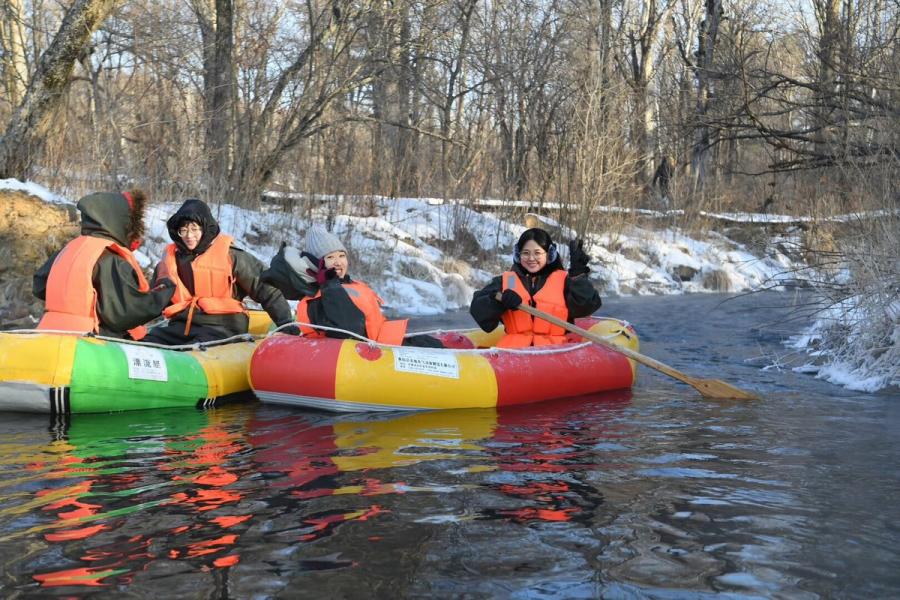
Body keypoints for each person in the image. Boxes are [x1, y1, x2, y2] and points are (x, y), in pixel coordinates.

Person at [261, 225, 444, 347]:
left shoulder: (352, 285)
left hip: (386, 345)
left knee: (432, 344)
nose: (338, 262)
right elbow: (350, 329)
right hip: (365, 355)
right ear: (319, 264)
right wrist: (329, 284)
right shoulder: (317, 297)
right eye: (330, 257)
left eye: (341, 255)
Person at [143, 198, 294, 345]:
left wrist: (286, 324)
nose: (189, 236)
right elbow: (151, 301)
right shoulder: (169, 261)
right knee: (149, 341)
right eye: (183, 230)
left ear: (205, 228)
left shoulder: (232, 256)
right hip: (183, 326)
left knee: (197, 346)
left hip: (223, 326)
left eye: (194, 229)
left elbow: (267, 289)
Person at [33, 190, 175, 339]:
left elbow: (40, 286)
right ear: (119, 221)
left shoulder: (69, 249)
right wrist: (165, 289)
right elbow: (124, 312)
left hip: (49, 334)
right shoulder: (109, 258)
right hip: (90, 339)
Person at [469, 227, 601, 348]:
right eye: (525, 253)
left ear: (549, 254)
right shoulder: (506, 282)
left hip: (554, 355)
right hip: (513, 355)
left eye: (537, 252)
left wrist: (578, 275)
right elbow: (477, 308)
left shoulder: (565, 281)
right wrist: (498, 303)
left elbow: (587, 306)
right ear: (518, 254)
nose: (531, 258)